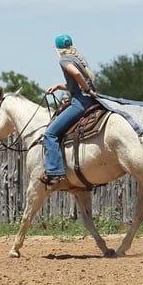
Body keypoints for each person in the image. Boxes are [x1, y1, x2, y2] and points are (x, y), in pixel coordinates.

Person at [41, 34, 99, 185]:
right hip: (90, 101)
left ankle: (55, 172)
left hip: (80, 102)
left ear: (57, 49)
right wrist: (60, 86)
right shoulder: (78, 58)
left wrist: (86, 89)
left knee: (50, 133)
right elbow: (78, 80)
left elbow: (76, 74)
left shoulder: (64, 59)